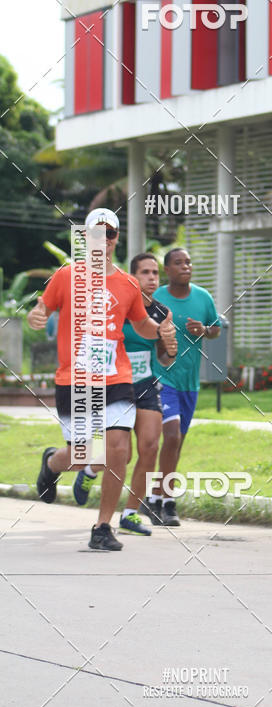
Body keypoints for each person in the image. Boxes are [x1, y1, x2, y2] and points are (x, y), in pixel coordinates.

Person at [27, 208, 176, 551]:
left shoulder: (127, 283)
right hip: (75, 378)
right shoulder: (66, 276)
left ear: (115, 239)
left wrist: (160, 331)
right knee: (84, 456)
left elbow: (139, 324)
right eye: (96, 234)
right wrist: (37, 315)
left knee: (118, 451)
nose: (103, 241)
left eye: (109, 235)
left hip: (116, 377)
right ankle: (52, 463)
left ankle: (103, 527)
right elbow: (42, 308)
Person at [72, 252, 178, 535]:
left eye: (155, 273)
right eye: (145, 272)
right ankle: (89, 471)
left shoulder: (161, 312)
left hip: (144, 384)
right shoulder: (114, 304)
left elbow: (164, 358)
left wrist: (170, 350)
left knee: (150, 446)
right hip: (113, 384)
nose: (152, 278)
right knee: (122, 454)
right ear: (133, 276)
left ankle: (130, 513)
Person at [142, 247, 221, 526]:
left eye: (188, 262)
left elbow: (216, 328)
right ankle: (168, 501)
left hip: (190, 382)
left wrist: (205, 330)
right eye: (178, 263)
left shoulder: (203, 297)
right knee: (171, 436)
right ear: (167, 269)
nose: (185, 266)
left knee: (177, 442)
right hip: (161, 377)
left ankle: (154, 496)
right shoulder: (156, 298)